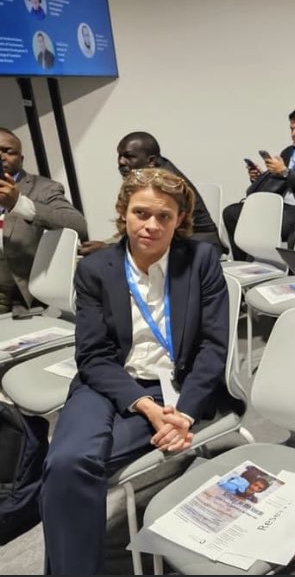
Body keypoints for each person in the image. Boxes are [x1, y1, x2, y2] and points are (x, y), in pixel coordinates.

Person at [40, 169, 239, 574]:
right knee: (66, 463)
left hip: (175, 388)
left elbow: (213, 347)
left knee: (73, 467)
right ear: (123, 213)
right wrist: (145, 406)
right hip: (108, 381)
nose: (151, 225)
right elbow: (93, 355)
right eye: (141, 213)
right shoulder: (96, 268)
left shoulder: (200, 260)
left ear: (180, 219)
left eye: (164, 216)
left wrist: (185, 413)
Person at [78, 132, 223, 256]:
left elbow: (157, 231)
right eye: (120, 156)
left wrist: (109, 248)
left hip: (195, 247)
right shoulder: (147, 177)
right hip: (171, 241)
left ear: (151, 161)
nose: (121, 162)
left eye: (129, 156)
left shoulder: (165, 185)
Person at [222, 108, 295, 255]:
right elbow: (280, 179)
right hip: (278, 203)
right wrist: (259, 177)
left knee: (261, 221)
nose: (293, 133)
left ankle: (265, 258)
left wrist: (284, 171)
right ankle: (243, 259)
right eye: (291, 129)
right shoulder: (288, 151)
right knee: (231, 213)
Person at [0, 128, 88, 313]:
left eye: (8, 151)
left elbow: (78, 225)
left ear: (21, 159)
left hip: (20, 296)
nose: (1, 156)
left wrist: (19, 204)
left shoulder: (43, 188)